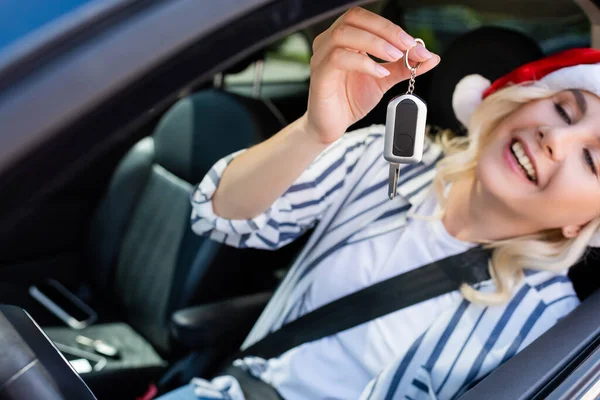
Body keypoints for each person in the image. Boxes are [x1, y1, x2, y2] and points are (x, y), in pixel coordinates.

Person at [157, 6, 600, 400]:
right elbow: (220, 218)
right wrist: (313, 130)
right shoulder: (380, 158)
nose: (556, 139)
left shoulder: (550, 333)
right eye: (563, 108)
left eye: (593, 160)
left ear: (584, 224)